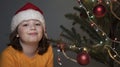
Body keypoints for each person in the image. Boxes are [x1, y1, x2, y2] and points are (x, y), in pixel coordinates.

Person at [0, 2, 54, 67]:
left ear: (43, 30)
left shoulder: (48, 50)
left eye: (37, 24)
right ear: (17, 33)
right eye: (25, 25)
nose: (33, 27)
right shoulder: (8, 56)